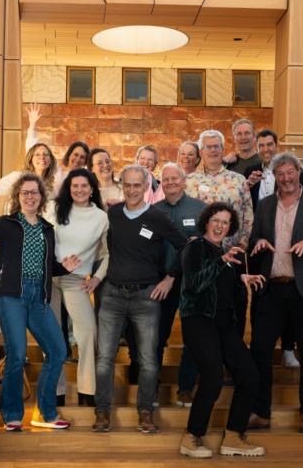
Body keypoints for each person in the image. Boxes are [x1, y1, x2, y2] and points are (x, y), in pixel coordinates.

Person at [0, 174, 81, 431]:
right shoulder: (6, 223)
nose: (30, 196)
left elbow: (46, 266)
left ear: (42, 197)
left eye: (35, 192)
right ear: (18, 197)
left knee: (58, 351)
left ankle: (45, 413)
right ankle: (11, 414)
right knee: (17, 354)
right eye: (25, 192)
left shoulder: (47, 229)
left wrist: (63, 268)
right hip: (10, 296)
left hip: (38, 298)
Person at [93, 165, 187, 434]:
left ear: (146, 187)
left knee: (147, 360)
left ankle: (146, 411)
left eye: (137, 185)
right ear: (122, 186)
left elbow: (185, 247)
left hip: (146, 297)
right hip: (112, 295)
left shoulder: (157, 217)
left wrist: (170, 278)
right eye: (127, 185)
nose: (132, 190)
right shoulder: (113, 214)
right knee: (104, 358)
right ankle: (102, 412)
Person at [247, 153, 303, 434]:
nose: (286, 178)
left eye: (290, 172)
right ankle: (261, 412)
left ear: (299, 172)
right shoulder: (264, 205)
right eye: (280, 174)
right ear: (274, 176)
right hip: (271, 289)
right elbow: (252, 239)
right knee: (260, 350)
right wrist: (259, 241)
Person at [178, 203, 266, 458]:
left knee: (249, 375)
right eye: (216, 220)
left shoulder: (225, 253)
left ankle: (234, 436)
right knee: (213, 377)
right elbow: (194, 284)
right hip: (199, 320)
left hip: (224, 325)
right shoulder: (195, 247)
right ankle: (191, 437)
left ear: (230, 227)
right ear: (206, 222)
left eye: (225, 222)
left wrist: (241, 279)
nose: (219, 226)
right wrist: (220, 262)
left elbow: (221, 286)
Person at [243, 129, 303, 368]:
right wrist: (248, 185)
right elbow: (245, 203)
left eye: (269, 144)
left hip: (288, 242)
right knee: (261, 300)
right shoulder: (251, 171)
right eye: (261, 145)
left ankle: (288, 348)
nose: (266, 149)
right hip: (260, 242)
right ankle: (261, 349)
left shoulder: (291, 170)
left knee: (290, 300)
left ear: (276, 145)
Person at [184, 129, 255, 337]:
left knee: (235, 305)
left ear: (223, 149)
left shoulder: (238, 180)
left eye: (216, 146)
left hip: (232, 253)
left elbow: (248, 214)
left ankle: (233, 348)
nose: (213, 150)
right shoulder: (189, 181)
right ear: (201, 151)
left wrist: (242, 244)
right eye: (208, 146)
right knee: (202, 306)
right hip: (201, 257)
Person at [53, 168, 109, 407]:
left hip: (75, 280)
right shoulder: (54, 209)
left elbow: (108, 253)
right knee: (52, 336)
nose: (79, 190)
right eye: (74, 186)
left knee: (88, 332)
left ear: (92, 189)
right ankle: (56, 392)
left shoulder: (101, 217)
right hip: (49, 278)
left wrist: (97, 277)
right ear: (68, 188)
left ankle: (87, 390)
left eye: (84, 185)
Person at [153, 163, 205, 408]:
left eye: (175, 178)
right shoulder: (153, 211)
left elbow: (206, 244)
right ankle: (151, 387)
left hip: (191, 281)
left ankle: (185, 388)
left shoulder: (199, 209)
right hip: (160, 282)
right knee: (156, 336)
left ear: (184, 181)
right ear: (161, 184)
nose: (170, 182)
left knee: (192, 336)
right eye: (166, 179)